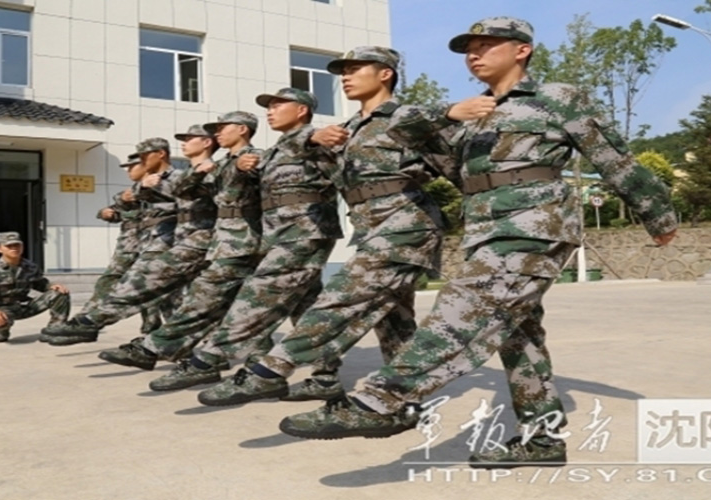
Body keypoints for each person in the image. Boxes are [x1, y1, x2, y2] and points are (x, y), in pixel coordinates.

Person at [277, 18, 679, 469]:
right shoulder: (472, 115)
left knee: (462, 311)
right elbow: (434, 162)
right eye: (469, 48)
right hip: (485, 229)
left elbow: (612, 156)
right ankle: (543, 441)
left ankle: (382, 400)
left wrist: (657, 214)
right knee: (518, 337)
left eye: (487, 45)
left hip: (533, 225)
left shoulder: (556, 97)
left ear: (522, 50)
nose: (474, 54)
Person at [193, 47, 447, 407]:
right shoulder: (348, 129)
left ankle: (269, 370)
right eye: (343, 70)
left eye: (355, 68)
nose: (345, 76)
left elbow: (453, 160)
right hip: (371, 227)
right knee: (394, 318)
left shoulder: (407, 117)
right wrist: (309, 139)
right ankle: (407, 394)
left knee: (338, 300)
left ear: (385, 74)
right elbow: (300, 149)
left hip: (406, 224)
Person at [103, 90, 347, 395]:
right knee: (306, 309)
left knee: (256, 296)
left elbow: (325, 153)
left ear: (301, 110)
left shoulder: (313, 140)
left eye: (277, 105)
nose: (270, 111)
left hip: (305, 232)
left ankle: (199, 359)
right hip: (276, 235)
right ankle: (325, 378)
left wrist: (314, 136)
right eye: (268, 106)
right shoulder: (270, 153)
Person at [96, 112, 268, 380]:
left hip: (244, 241)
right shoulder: (219, 165)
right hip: (223, 243)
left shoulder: (256, 157)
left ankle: (159, 349)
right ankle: (206, 360)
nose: (218, 133)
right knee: (229, 303)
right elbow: (182, 190)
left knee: (228, 301)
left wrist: (249, 165)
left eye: (222, 128)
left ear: (243, 129)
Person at [42, 137, 216, 346]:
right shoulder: (151, 181)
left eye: (143, 157)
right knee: (149, 289)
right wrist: (130, 195)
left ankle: (93, 323)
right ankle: (167, 339)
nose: (140, 163)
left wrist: (140, 190)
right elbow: (122, 201)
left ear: (160, 154)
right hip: (146, 241)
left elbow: (179, 197)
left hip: (170, 239)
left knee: (144, 285)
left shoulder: (179, 176)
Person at [81, 155, 164, 336]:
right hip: (129, 247)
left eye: (132, 167)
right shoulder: (128, 194)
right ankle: (86, 320)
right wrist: (105, 213)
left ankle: (162, 331)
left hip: (156, 245)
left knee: (155, 287)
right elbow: (117, 211)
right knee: (111, 281)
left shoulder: (162, 187)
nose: (128, 171)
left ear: (145, 165)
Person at [0, 232, 70, 343]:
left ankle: (54, 330)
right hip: (2, 309)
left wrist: (51, 286)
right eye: (9, 246)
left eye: (17, 245)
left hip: (24, 306)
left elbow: (39, 283)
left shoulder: (30, 266)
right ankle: (2, 332)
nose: (14, 248)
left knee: (60, 293)